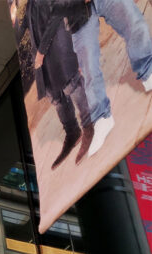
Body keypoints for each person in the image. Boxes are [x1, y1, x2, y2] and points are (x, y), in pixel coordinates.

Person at [52, 0, 152, 158]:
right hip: (76, 14)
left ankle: (148, 70)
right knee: (89, 67)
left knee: (134, 22)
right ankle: (102, 118)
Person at [11, 0, 92, 169]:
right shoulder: (28, 5)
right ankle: (72, 132)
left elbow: (56, 17)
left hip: (57, 44)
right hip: (41, 53)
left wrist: (41, 52)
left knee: (71, 84)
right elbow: (22, 28)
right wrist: (15, 17)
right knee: (54, 95)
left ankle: (88, 125)